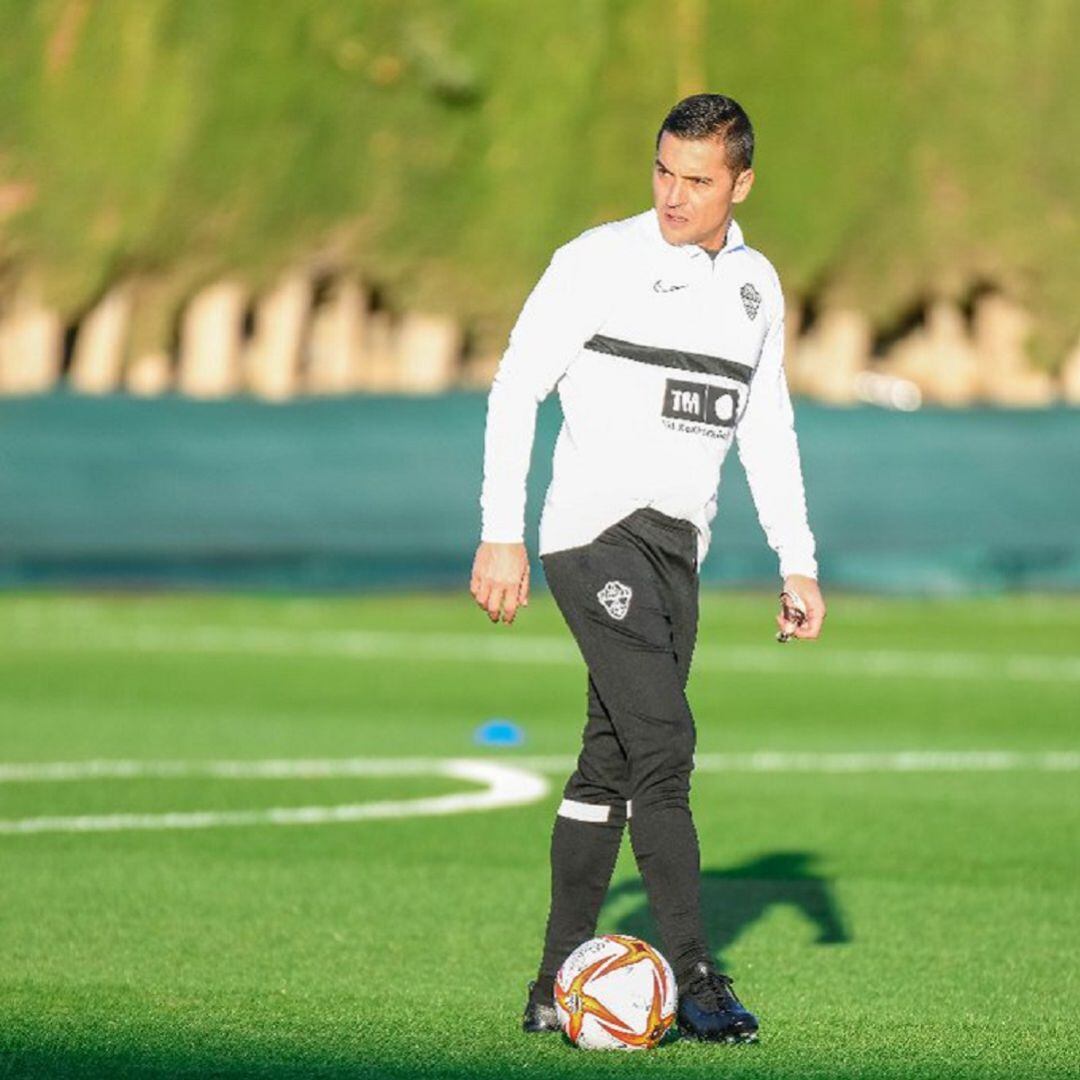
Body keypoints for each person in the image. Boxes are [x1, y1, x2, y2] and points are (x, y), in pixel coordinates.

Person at [469, 93, 826, 1044]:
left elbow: (768, 427)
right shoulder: (598, 260)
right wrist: (500, 529)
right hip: (593, 535)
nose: (674, 195)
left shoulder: (759, 286)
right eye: (663, 171)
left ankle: (553, 985)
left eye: (697, 180)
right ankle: (701, 978)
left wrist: (799, 559)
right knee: (665, 748)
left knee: (612, 760)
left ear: (740, 183)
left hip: (679, 549)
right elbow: (516, 386)